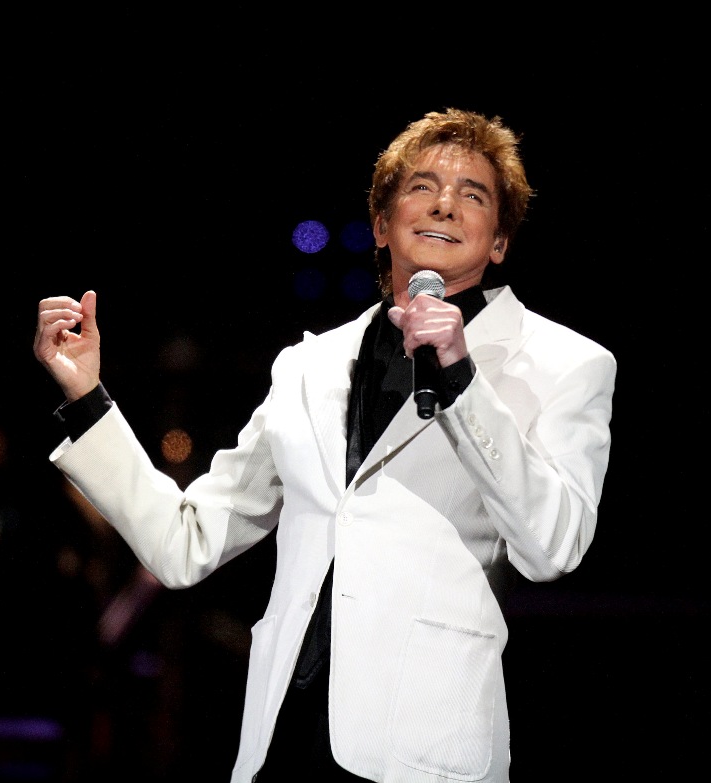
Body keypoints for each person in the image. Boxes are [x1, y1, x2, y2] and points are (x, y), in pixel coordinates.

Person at [33, 108, 617, 782]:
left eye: (474, 195)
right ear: (381, 224)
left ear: (500, 242)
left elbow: (553, 548)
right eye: (423, 186)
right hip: (285, 742)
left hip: (424, 753)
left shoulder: (562, 364)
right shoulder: (309, 368)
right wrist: (87, 397)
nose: (445, 205)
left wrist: (462, 379)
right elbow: (184, 542)